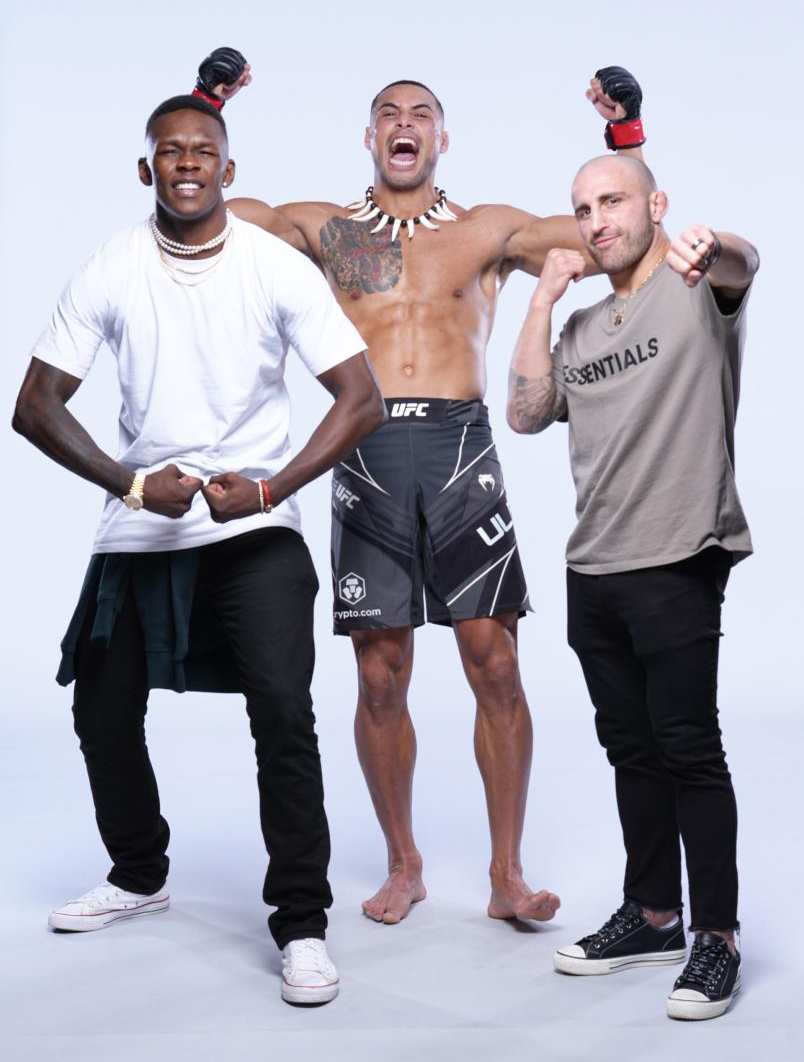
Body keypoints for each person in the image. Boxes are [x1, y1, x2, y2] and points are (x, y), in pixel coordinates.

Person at [205, 53, 644, 926]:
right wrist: (206, 107)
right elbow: (208, 212)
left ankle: (506, 874)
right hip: (364, 451)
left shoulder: (485, 231)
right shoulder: (328, 231)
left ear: (441, 137)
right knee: (380, 677)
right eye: (388, 113)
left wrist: (623, 137)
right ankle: (404, 863)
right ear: (371, 137)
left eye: (420, 113)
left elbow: (612, 238)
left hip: (459, 453)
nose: (404, 123)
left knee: (498, 666)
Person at [12, 94, 385, 1006]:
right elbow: (34, 405)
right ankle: (140, 873)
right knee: (101, 707)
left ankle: (301, 925)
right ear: (149, 170)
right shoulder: (111, 265)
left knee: (283, 719)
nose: (187, 163)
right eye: (169, 152)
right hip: (144, 524)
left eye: (203, 151)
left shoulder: (272, 267)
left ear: (229, 170)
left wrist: (271, 488)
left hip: (253, 529)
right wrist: (131, 483)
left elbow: (361, 397)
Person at [506, 152, 758, 1020]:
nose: (597, 219)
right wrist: (541, 298)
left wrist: (713, 243)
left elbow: (743, 263)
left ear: (654, 204)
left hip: (679, 556)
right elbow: (526, 414)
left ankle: (716, 938)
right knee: (632, 751)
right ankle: (654, 915)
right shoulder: (578, 330)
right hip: (595, 568)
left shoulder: (697, 286)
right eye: (583, 209)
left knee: (689, 746)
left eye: (612, 201)